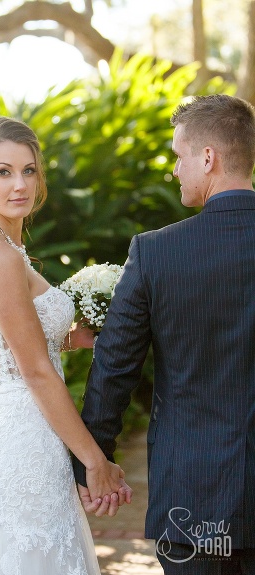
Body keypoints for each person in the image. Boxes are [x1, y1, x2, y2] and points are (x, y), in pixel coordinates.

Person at [0, 116, 131, 574]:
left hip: (31, 429)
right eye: (3, 172)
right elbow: (35, 370)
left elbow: (21, 340)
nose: (20, 184)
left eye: (28, 170)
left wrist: (80, 335)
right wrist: (94, 461)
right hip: (24, 441)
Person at [73, 94, 255, 573]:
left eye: (179, 156)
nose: (175, 170)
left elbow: (115, 366)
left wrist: (92, 462)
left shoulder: (156, 253)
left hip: (192, 497)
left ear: (208, 157)